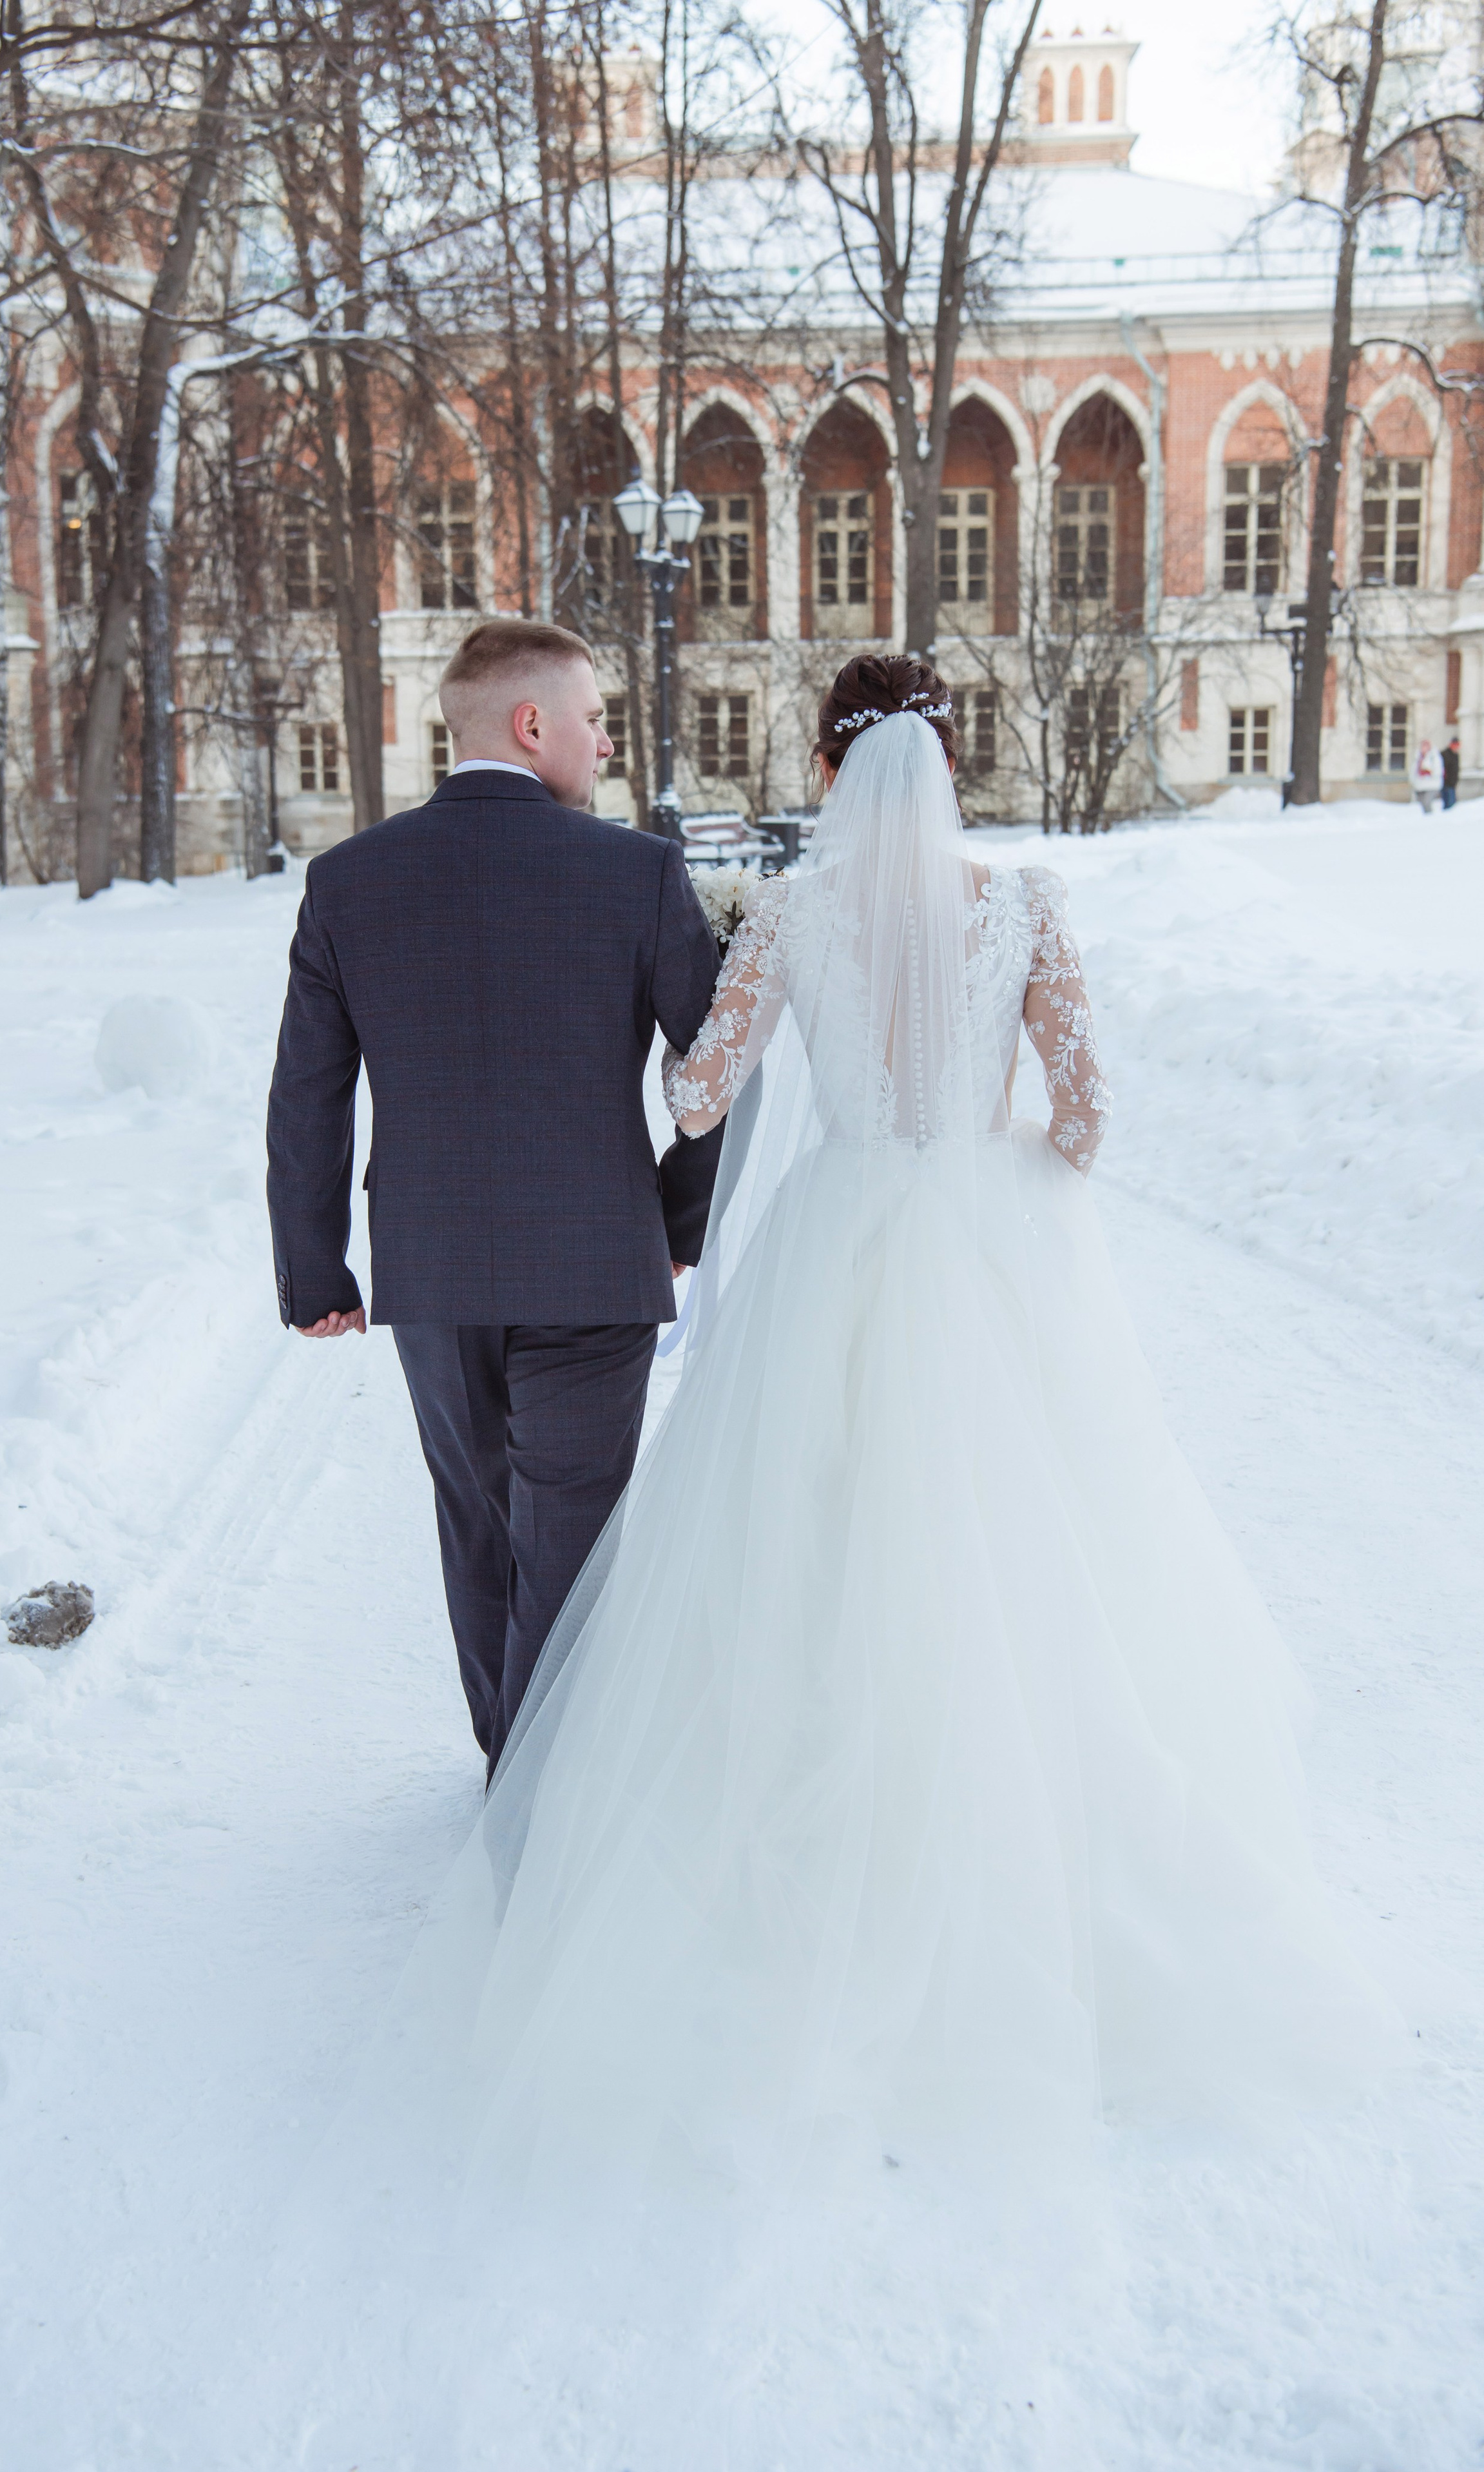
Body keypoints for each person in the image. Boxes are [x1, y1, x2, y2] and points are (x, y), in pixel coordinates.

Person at [361, 652, 1398, 2235]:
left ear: (836, 765)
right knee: (1029, 1541)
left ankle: (793, 1851)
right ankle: (1032, 1835)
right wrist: (994, 1161)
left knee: (803, 1537)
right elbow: (1089, 1119)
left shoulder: (785, 913)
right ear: (948, 756)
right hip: (985, 1247)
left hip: (834, 1234)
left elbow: (699, 1094)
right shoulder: (1024, 904)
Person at [265, 618, 724, 1777]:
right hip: (596, 1263)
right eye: (592, 716)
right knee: (571, 1536)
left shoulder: (348, 881)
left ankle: (507, 1769)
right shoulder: (638, 872)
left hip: (436, 1270)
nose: (606, 738)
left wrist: (315, 1271)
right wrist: (676, 1219)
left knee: (475, 1524)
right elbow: (721, 1072)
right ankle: (546, 1801)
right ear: (532, 727)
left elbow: (308, 1100)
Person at [1413, 737, 1441, 813]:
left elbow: (1438, 770)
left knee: (1427, 802)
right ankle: (1426, 819)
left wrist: (1428, 772)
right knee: (1422, 804)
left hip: (1431, 784)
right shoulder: (1418, 757)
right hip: (1420, 784)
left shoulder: (1434, 757)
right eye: (1423, 746)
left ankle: (1430, 819)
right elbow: (1413, 770)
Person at [1442, 735, 1461, 808]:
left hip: (1453, 783)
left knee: (1452, 803)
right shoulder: (1445, 754)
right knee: (1449, 804)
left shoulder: (1456, 755)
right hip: (1446, 782)